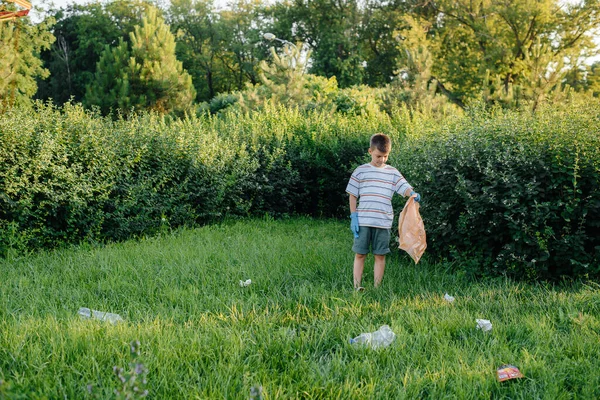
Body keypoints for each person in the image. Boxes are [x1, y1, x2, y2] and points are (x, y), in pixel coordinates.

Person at [345, 133, 420, 291]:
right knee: (360, 254)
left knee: (380, 255)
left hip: (383, 222)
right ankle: (356, 286)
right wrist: (354, 216)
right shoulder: (360, 171)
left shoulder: (392, 172)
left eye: (385, 156)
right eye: (379, 156)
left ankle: (377, 288)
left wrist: (412, 193)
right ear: (370, 151)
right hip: (364, 221)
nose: (382, 160)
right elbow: (352, 194)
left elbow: (404, 187)